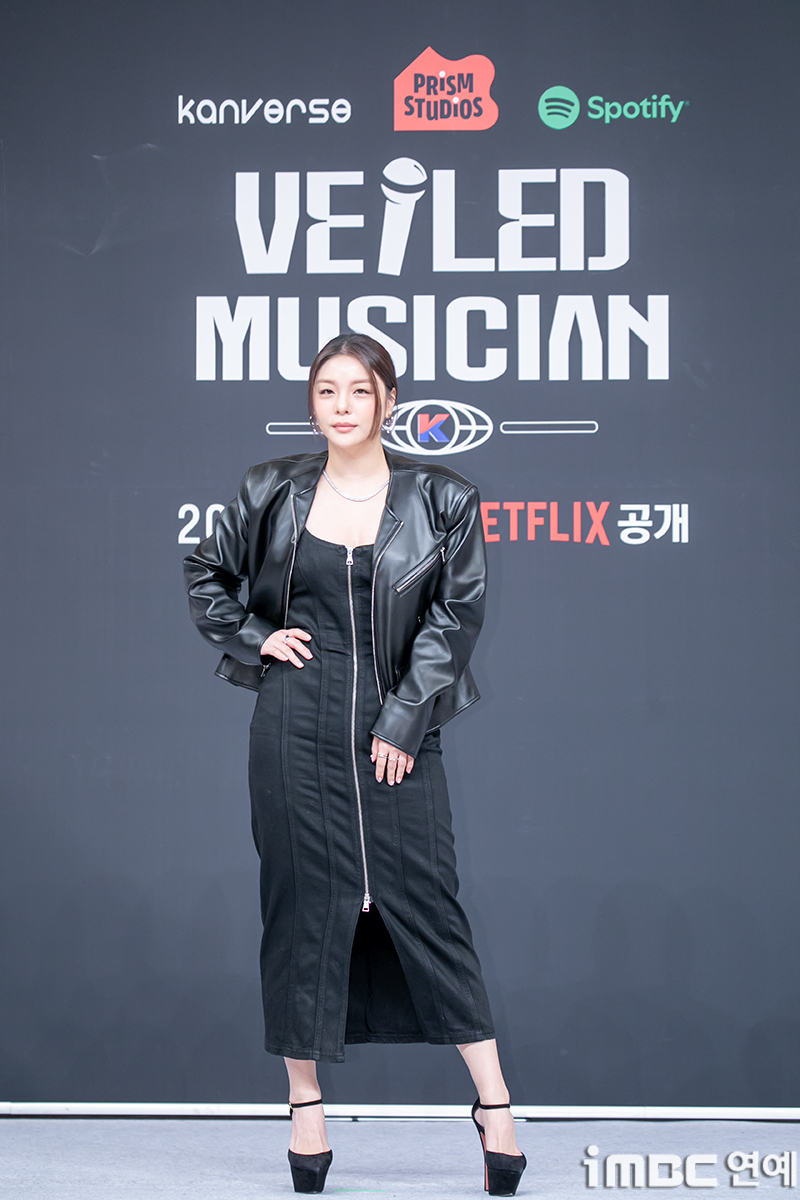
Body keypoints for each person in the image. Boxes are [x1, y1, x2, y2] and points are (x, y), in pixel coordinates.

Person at [183, 333, 526, 1196]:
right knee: (300, 908)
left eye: (360, 390)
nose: (342, 405)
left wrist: (404, 719)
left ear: (388, 401)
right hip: (292, 725)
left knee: (428, 904)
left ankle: (494, 1107)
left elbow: (456, 616)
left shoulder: (442, 497)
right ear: (312, 403)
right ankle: (305, 1108)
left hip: (395, 722)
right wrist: (259, 636)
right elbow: (207, 574)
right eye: (327, 390)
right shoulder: (270, 488)